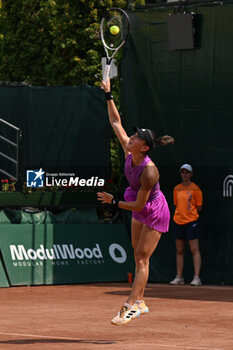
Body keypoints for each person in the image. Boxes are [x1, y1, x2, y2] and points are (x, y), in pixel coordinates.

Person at [97, 78, 174, 325]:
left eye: (137, 137)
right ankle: (140, 301)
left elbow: (140, 206)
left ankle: (131, 305)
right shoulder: (129, 151)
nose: (131, 137)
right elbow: (115, 121)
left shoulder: (150, 172)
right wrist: (108, 94)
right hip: (137, 203)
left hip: (153, 210)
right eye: (133, 135)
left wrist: (113, 202)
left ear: (145, 148)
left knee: (141, 257)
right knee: (137, 253)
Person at [170, 164, 203, 286]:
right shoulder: (177, 189)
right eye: (183, 172)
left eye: (187, 172)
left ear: (191, 174)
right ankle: (179, 277)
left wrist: (189, 212)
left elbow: (199, 206)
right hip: (178, 221)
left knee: (194, 250)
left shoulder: (196, 189)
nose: (185, 174)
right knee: (179, 250)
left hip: (191, 222)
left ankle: (196, 278)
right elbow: (176, 204)